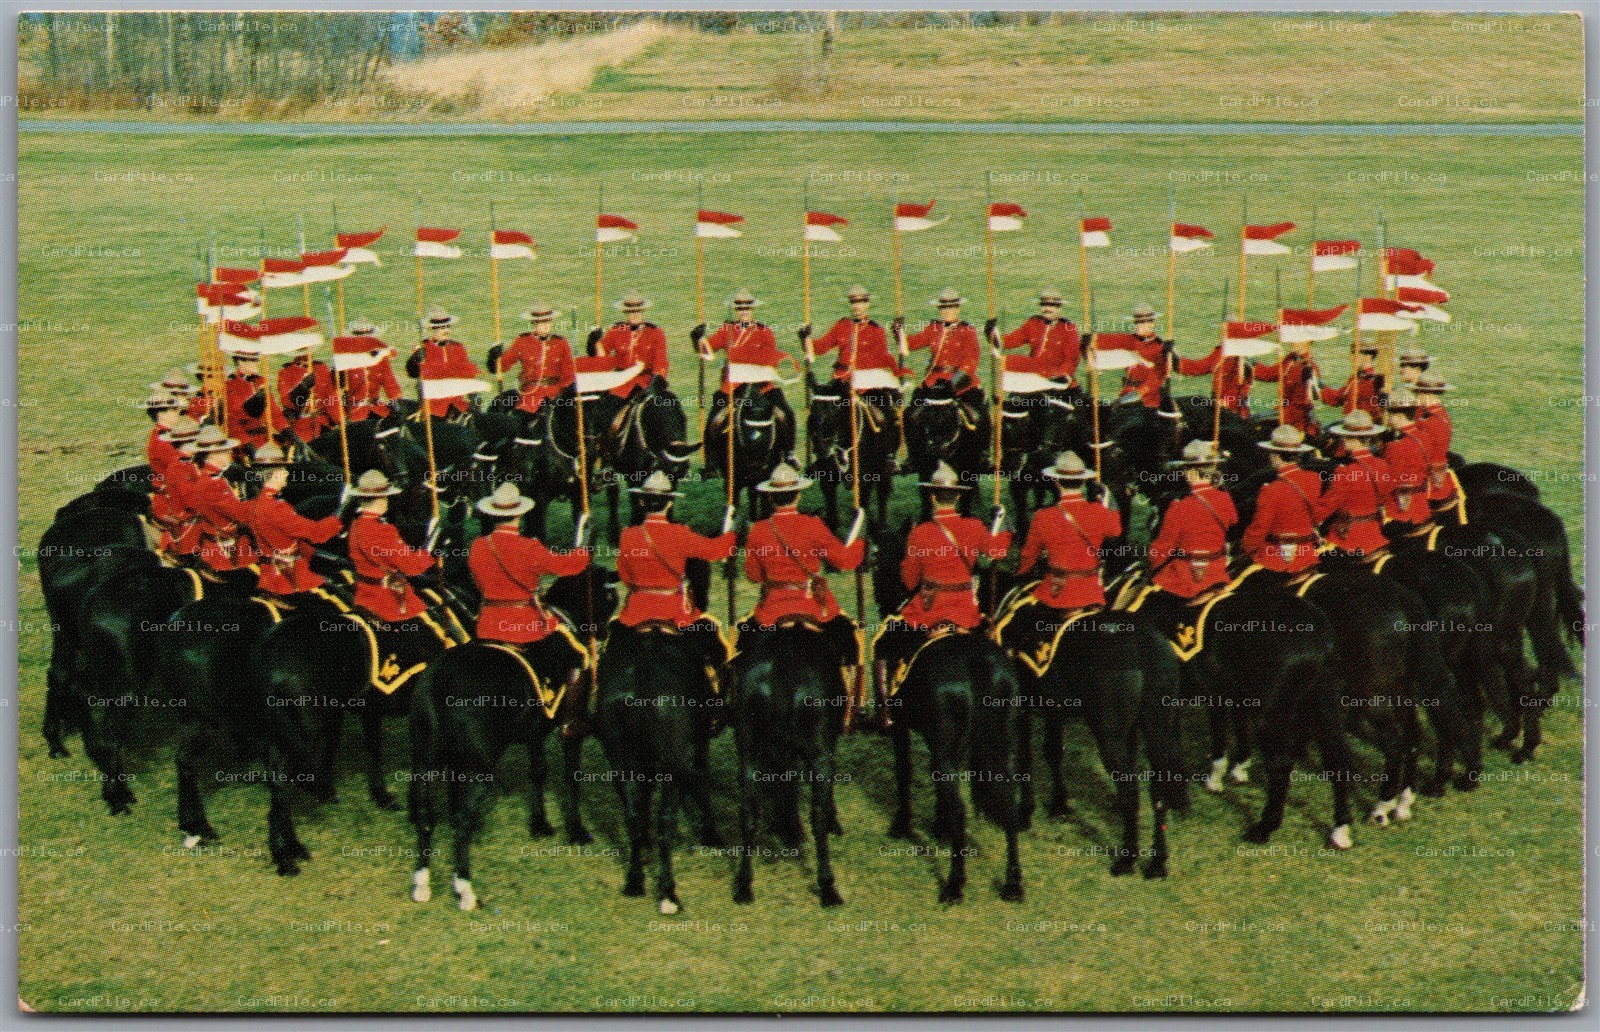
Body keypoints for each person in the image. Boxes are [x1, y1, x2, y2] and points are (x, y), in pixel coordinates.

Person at [874, 463, 1010, 721]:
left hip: (928, 612)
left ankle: (886, 710)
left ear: (932, 496)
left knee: (881, 642)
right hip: (966, 612)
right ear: (958, 496)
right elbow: (997, 552)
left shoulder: (919, 533)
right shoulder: (974, 526)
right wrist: (1003, 527)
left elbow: (909, 579)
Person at [741, 462, 866, 688]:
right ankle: (850, 699)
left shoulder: (758, 529)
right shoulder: (813, 525)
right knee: (849, 641)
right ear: (798, 495)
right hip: (813, 606)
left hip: (771, 608)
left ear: (770, 497)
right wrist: (860, 541)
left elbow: (753, 576)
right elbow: (845, 561)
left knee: (744, 642)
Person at [995, 451, 1121, 669]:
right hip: (1091, 590)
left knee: (1012, 621)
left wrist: (1020, 572)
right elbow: (1116, 530)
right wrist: (1107, 500)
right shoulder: (1098, 511)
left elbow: (1028, 558)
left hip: (1057, 593)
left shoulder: (1043, 516)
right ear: (1083, 482)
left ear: (1055, 482)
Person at [613, 470, 736, 673]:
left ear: (642, 502)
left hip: (635, 612)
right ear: (669, 503)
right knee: (713, 640)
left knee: (612, 653)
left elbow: (626, 577)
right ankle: (720, 688)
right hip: (674, 613)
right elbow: (714, 551)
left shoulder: (628, 535)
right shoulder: (679, 533)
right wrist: (733, 533)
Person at [803, 284, 909, 462]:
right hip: (842, 380)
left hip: (868, 382)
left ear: (867, 304)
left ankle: (889, 455)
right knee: (818, 410)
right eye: (853, 303)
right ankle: (820, 455)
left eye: (860, 302)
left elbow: (883, 358)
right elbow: (820, 348)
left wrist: (894, 377)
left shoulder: (876, 330)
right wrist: (805, 337)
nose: (857, 306)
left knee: (889, 415)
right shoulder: (841, 326)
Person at [697, 289, 797, 462]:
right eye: (739, 308)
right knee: (715, 419)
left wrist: (740, 357)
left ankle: (789, 453)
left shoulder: (764, 331)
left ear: (753, 310)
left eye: (747, 308)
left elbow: (769, 357)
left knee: (785, 414)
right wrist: (697, 339)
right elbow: (707, 349)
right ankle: (710, 461)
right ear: (735, 310)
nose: (743, 311)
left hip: (762, 386)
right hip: (734, 388)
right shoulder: (726, 331)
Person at [247, 443, 344, 597]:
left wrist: (324, 558)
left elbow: (288, 541)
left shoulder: (262, 502)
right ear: (275, 474)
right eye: (284, 470)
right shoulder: (275, 507)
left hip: (276, 572)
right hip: (289, 579)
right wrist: (341, 513)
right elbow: (316, 533)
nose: (287, 473)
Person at [1148, 440, 1238, 599]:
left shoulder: (1179, 506)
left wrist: (1151, 562)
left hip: (1185, 577)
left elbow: (1163, 548)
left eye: (1185, 470)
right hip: (1216, 573)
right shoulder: (1224, 498)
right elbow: (1233, 520)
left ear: (1192, 472)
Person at [902, 288, 990, 448]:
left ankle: (982, 452)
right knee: (910, 415)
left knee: (979, 416)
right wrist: (899, 331)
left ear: (957, 308)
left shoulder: (967, 330)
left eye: (951, 307)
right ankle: (914, 455)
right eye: (943, 308)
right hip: (933, 381)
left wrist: (954, 383)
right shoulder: (933, 327)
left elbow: (971, 360)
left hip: (960, 381)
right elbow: (913, 344)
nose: (946, 311)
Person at [347, 469, 437, 623]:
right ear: (381, 499)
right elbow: (410, 566)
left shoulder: (355, 525)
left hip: (363, 595)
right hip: (386, 600)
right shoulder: (383, 530)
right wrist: (430, 551)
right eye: (387, 498)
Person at [1239, 424, 1323, 588]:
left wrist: (1246, 548)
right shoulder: (1313, 478)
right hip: (1307, 553)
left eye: (1271, 454)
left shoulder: (1271, 490)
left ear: (1276, 455)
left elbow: (1259, 529)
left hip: (1276, 558)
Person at [1314, 409, 1393, 558]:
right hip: (1375, 533)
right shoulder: (1382, 465)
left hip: (1347, 539)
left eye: (1344, 437)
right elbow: (1383, 498)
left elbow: (1325, 508)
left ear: (1350, 438)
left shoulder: (1345, 472)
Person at [185, 425, 259, 581]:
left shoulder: (215, 479)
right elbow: (241, 515)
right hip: (227, 552)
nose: (230, 454)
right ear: (212, 455)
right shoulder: (211, 485)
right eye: (225, 451)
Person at [488, 303, 575, 423]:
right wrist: (494, 357)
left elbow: (569, 374)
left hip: (555, 392)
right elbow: (503, 365)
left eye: (547, 322)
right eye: (541, 323)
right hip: (531, 394)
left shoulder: (561, 342)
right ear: (534, 323)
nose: (545, 326)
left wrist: (562, 396)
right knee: (520, 420)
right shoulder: (522, 341)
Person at [996, 288, 1084, 390]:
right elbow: (1008, 342)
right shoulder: (1033, 323)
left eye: (1051, 305)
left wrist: (1062, 376)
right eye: (1044, 305)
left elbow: (1071, 360)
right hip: (1034, 376)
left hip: (1057, 380)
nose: (1047, 309)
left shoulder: (1068, 329)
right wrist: (992, 333)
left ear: (1059, 308)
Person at [592, 290, 671, 401]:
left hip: (645, 383)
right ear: (625, 313)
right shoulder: (616, 330)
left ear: (643, 311)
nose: (634, 315)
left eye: (637, 312)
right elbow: (602, 359)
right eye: (630, 312)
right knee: (603, 410)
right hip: (621, 384)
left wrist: (654, 386)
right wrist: (596, 342)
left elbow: (661, 363)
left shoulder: (655, 333)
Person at [408, 308, 480, 419]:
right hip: (434, 407)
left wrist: (474, 395)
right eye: (442, 328)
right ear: (433, 329)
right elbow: (412, 373)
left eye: (447, 326)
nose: (446, 330)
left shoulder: (458, 348)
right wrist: (415, 359)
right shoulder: (423, 349)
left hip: (458, 404)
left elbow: (467, 375)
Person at [1379, 389, 1433, 534]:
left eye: (1390, 414)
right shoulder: (1423, 436)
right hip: (1422, 506)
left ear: (1399, 415)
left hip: (1400, 511)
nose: (1388, 419)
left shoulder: (1396, 446)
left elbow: (1388, 483)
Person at [151, 415, 203, 559]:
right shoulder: (178, 468)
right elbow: (191, 501)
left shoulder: (186, 462)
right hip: (190, 529)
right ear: (186, 443)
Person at [1413, 373, 1461, 519]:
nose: (1417, 397)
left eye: (1418, 393)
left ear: (1426, 394)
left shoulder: (1433, 421)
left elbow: (1421, 453)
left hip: (1429, 479)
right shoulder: (1434, 414)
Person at [1251, 340, 1325, 434]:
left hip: (1297, 422)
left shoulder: (1309, 368)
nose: (1293, 343)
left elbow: (1302, 405)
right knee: (1251, 421)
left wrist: (1276, 416)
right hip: (1284, 412)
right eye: (1293, 340)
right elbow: (1270, 374)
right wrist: (1250, 364)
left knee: (1257, 427)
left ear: (1308, 341)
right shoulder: (1291, 359)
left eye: (1298, 340)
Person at [224, 347, 287, 452]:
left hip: (266, 439)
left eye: (256, 359)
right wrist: (246, 445)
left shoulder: (261, 382)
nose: (256, 363)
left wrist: (290, 434)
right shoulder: (230, 385)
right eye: (252, 360)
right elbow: (233, 422)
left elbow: (275, 414)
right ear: (239, 362)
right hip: (244, 443)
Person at [340, 319, 403, 422]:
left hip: (377, 408)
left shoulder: (381, 359)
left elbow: (391, 385)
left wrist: (397, 404)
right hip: (354, 411)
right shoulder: (347, 360)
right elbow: (338, 385)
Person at [277, 343, 340, 443]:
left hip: (322, 424)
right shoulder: (286, 372)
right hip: (300, 426)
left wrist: (337, 419)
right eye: (300, 353)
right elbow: (287, 402)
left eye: (306, 352)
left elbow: (331, 396)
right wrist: (303, 387)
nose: (303, 357)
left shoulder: (321, 369)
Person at [1320, 342, 1384, 418]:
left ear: (1368, 357)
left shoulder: (1373, 381)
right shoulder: (1356, 377)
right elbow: (1341, 395)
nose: (1353, 357)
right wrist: (1322, 389)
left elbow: (1341, 397)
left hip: (1364, 425)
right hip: (1351, 422)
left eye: (1356, 353)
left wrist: (1322, 391)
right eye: (1352, 353)